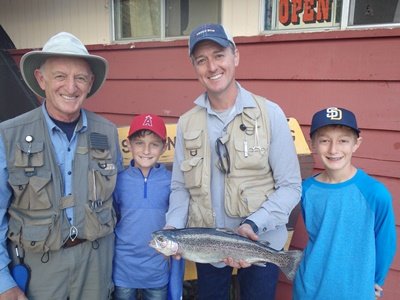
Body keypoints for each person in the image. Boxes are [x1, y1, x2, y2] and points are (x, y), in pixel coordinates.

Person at [165, 23, 302, 300]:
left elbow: (291, 187)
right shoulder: (187, 123)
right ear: (194, 67)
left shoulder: (269, 114)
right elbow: (180, 187)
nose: (212, 66)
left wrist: (252, 225)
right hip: (208, 246)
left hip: (259, 241)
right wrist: (173, 227)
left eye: (219, 55)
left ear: (235, 56)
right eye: (201, 60)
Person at [0, 32, 122, 300]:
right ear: (41, 79)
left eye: (80, 78)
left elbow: (120, 201)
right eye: (60, 76)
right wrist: (2, 280)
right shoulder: (9, 135)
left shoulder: (108, 133)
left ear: (90, 83)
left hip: (95, 263)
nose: (71, 87)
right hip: (38, 267)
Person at [293, 107, 396, 299]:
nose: (333, 149)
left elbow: (385, 242)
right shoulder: (305, 190)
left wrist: (376, 281)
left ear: (356, 144)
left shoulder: (374, 192)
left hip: (354, 290)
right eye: (324, 140)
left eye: (343, 141)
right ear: (313, 144)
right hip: (309, 288)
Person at [112, 114, 184, 300]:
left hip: (156, 268)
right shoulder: (117, 181)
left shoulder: (171, 182)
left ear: (164, 147)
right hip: (123, 267)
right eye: (139, 143)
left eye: (154, 144)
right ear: (128, 145)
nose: (146, 150)